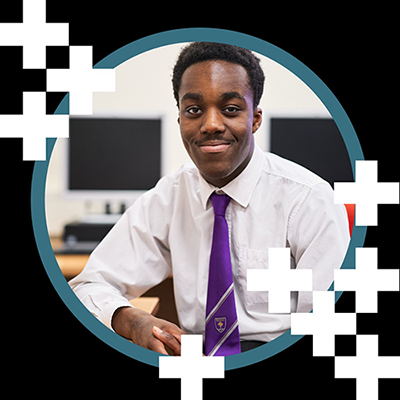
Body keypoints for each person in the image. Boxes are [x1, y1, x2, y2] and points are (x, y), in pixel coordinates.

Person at [69, 42, 350, 356]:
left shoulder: (310, 200)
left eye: (230, 109)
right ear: (179, 121)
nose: (212, 125)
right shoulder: (169, 197)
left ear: (255, 119)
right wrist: (130, 320)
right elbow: (89, 286)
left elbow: (330, 329)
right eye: (194, 110)